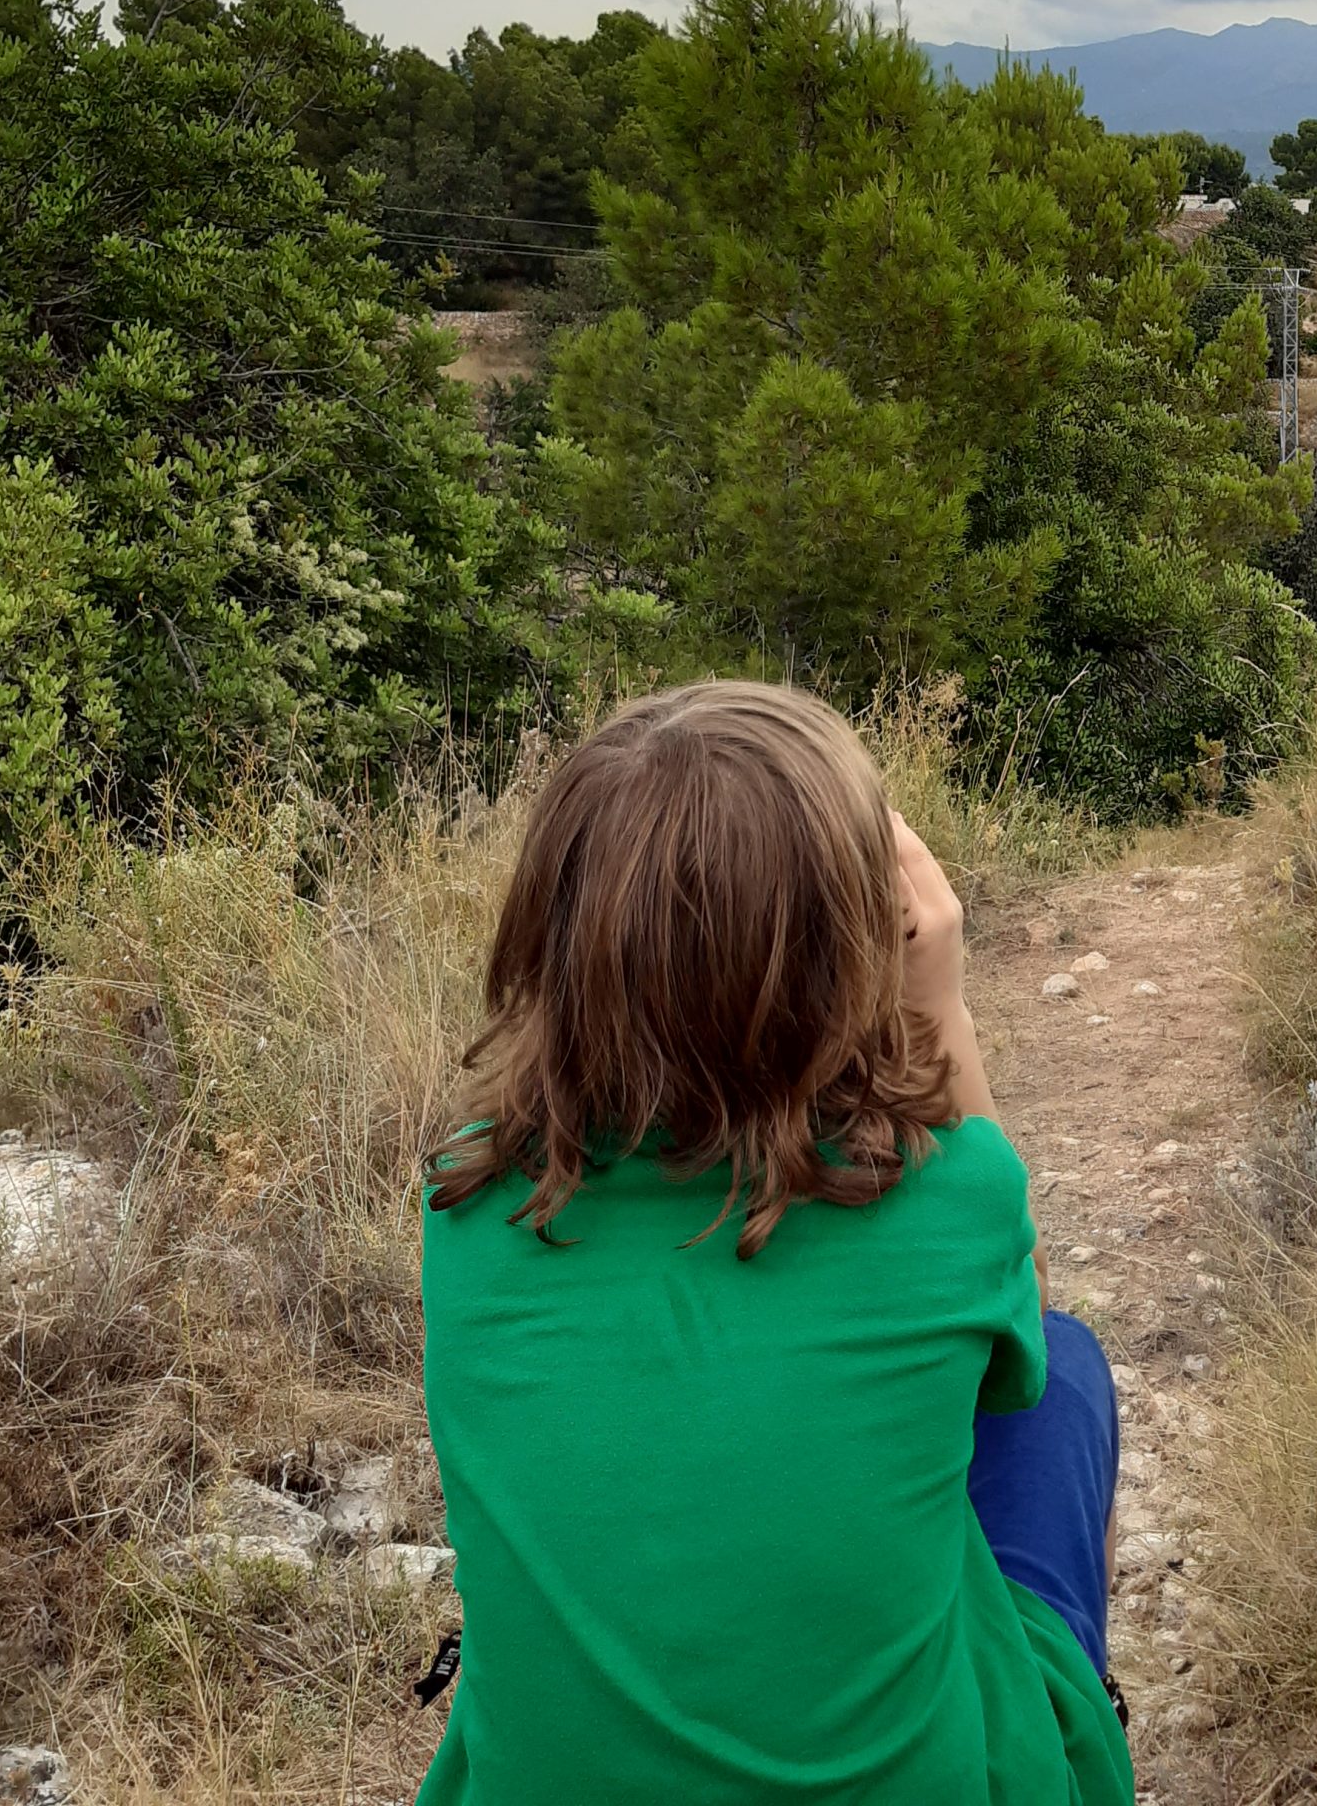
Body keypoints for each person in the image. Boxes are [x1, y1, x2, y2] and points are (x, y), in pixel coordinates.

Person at [415, 680, 1134, 1804]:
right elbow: (1014, 1347)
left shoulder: (469, 1209)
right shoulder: (950, 1199)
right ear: (854, 934)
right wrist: (938, 1007)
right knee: (1064, 1369)